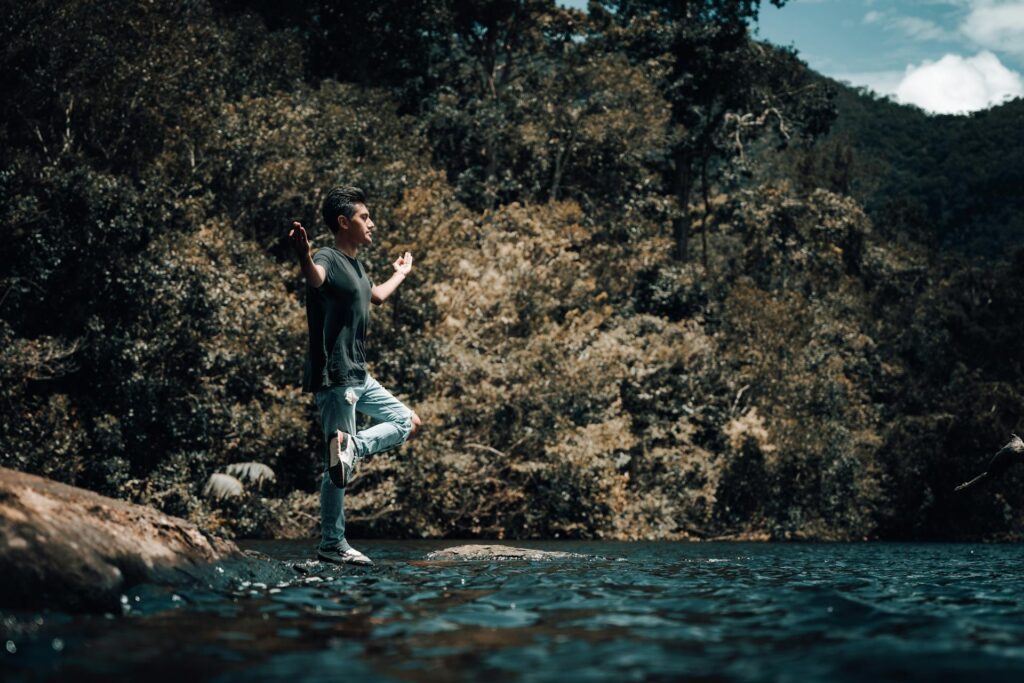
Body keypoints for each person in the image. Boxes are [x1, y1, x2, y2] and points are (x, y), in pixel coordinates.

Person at [288, 185, 421, 566]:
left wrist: (402, 274)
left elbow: (375, 296)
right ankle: (332, 544)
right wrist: (303, 255)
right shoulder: (328, 257)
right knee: (337, 467)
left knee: (408, 421)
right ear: (344, 222)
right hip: (336, 375)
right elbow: (316, 278)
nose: (372, 223)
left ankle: (352, 449)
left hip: (359, 375)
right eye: (365, 217)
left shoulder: (358, 267)